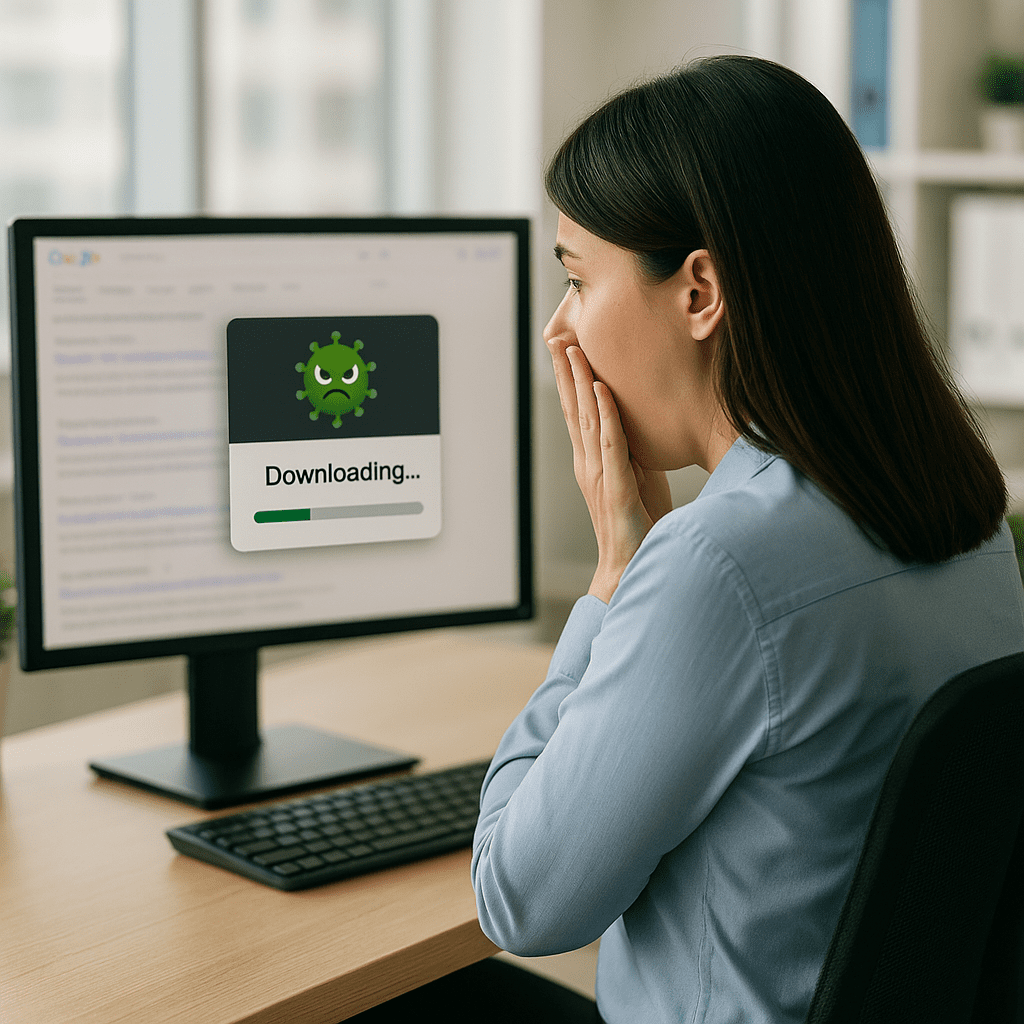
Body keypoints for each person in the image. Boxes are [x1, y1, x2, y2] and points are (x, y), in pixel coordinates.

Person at [351, 54, 1024, 1024]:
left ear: (699, 291)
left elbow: (517, 899)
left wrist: (617, 571)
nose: (561, 330)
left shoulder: (720, 564)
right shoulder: (968, 518)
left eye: (578, 278)